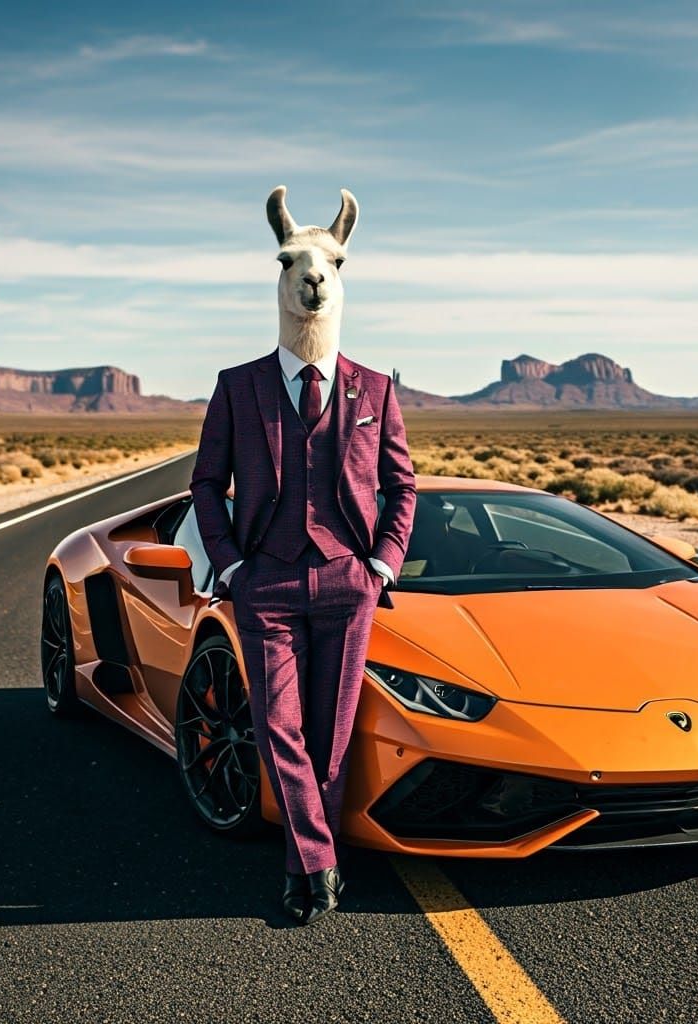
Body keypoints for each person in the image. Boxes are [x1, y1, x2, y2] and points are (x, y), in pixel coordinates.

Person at [189, 185, 416, 924]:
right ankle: (320, 862)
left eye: (328, 263)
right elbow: (206, 483)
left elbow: (401, 484)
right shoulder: (238, 388)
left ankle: (301, 866)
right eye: (294, 262)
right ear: (282, 274)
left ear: (341, 273)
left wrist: (381, 563)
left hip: (348, 583)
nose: (312, 274)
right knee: (279, 728)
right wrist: (231, 565)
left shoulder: (374, 389)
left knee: (331, 736)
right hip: (267, 584)